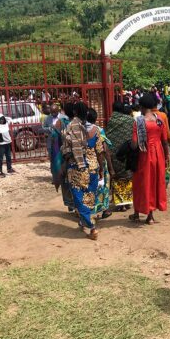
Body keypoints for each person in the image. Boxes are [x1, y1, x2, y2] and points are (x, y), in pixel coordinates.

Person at [62, 102, 105, 240]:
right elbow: (100, 151)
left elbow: (66, 150)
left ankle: (92, 228)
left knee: (79, 199)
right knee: (89, 197)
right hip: (92, 167)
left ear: (74, 112)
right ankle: (83, 220)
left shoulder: (70, 128)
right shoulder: (96, 130)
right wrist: (102, 169)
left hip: (77, 168)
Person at [130, 94, 169, 224]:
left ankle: (137, 213)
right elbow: (164, 141)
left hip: (144, 155)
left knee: (142, 182)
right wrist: (167, 157)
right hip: (158, 154)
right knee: (154, 182)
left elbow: (135, 144)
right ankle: (150, 216)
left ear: (141, 106)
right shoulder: (159, 120)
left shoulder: (139, 121)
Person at [43, 103, 74, 211]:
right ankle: (71, 204)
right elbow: (43, 128)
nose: (53, 114)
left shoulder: (64, 120)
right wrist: (50, 129)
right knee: (63, 175)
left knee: (66, 177)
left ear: (59, 110)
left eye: (55, 112)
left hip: (65, 152)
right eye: (52, 112)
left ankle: (72, 203)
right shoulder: (48, 119)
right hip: (56, 149)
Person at [106, 101, 135, 211]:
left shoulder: (111, 121)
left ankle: (120, 204)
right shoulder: (130, 120)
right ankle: (127, 202)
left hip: (114, 154)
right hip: (127, 153)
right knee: (127, 177)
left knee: (117, 178)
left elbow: (107, 136)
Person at [86, 108, 114, 219]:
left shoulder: (80, 130)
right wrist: (109, 167)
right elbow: (104, 150)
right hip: (99, 162)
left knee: (89, 188)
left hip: (86, 163)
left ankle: (87, 211)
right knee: (104, 187)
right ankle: (104, 210)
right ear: (95, 118)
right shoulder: (99, 130)